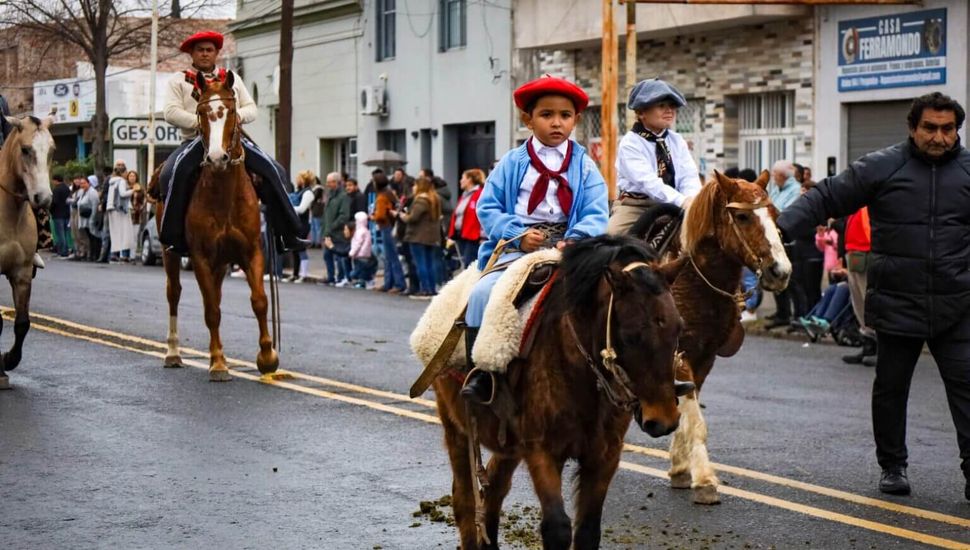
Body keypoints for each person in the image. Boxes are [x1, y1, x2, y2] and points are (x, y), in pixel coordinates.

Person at [778, 92, 970, 501]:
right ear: (912, 128)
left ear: (957, 130)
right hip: (898, 301)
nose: (939, 137)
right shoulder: (883, 166)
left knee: (966, 389)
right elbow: (825, 196)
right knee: (890, 388)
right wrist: (778, 232)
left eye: (947, 129)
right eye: (930, 128)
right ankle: (892, 466)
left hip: (957, 303)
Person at [461, 75, 609, 404]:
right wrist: (517, 235)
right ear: (528, 119)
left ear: (576, 120)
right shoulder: (513, 162)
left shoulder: (584, 165)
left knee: (616, 292)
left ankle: (613, 366)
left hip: (569, 247)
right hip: (520, 246)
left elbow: (597, 210)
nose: (556, 122)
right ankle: (483, 372)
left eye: (565, 115)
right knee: (484, 291)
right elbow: (487, 206)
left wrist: (577, 238)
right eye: (546, 114)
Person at [158, 30, 307, 256]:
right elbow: (170, 112)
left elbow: (251, 107)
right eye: (200, 50)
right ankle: (174, 237)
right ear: (192, 53)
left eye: (209, 50)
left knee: (275, 170)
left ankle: (287, 234)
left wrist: (237, 116)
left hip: (230, 140)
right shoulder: (179, 80)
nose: (205, 54)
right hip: (195, 140)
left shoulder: (231, 78)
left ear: (217, 52)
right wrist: (202, 123)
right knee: (170, 174)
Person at [608, 78, 701, 235]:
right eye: (661, 105)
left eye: (672, 106)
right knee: (610, 237)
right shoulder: (630, 143)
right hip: (637, 206)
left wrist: (692, 200)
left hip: (677, 203)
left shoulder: (676, 140)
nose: (669, 110)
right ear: (641, 112)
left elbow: (688, 176)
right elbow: (648, 183)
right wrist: (681, 200)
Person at [764, 160, 802, 330]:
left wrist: (772, 211)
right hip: (775, 239)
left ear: (782, 176)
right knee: (775, 276)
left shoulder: (795, 190)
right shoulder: (776, 189)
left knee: (792, 281)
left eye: (774, 174)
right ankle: (782, 313)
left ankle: (799, 316)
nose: (772, 177)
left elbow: (784, 211)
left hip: (790, 240)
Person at [393, 177, 443, 299]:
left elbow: (413, 218)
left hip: (418, 236)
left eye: (415, 185)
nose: (413, 187)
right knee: (430, 263)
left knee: (421, 263)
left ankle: (425, 289)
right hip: (431, 237)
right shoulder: (435, 199)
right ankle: (431, 288)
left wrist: (402, 215)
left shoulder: (421, 200)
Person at [372, 179, 406, 293]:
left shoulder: (381, 197)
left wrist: (373, 217)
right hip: (391, 225)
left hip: (385, 226)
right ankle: (389, 282)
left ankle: (398, 283)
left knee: (391, 256)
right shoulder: (390, 194)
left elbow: (380, 215)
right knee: (390, 255)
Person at [448, 168, 485, 269]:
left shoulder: (480, 194)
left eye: (462, 178)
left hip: (474, 237)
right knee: (466, 264)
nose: (460, 181)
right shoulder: (465, 195)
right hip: (463, 235)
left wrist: (483, 235)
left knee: (470, 265)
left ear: (470, 180)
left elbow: (483, 215)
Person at [322, 171, 351, 285]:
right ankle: (331, 277)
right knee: (327, 255)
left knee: (339, 256)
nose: (327, 184)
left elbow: (344, 215)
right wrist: (325, 229)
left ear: (336, 182)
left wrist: (332, 227)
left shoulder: (343, 196)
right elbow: (326, 214)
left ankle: (341, 277)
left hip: (338, 232)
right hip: (328, 231)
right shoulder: (330, 195)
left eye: (329, 182)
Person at [105, 160, 135, 263]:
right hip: (120, 208)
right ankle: (122, 255)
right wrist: (133, 190)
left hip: (111, 208)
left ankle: (113, 254)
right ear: (122, 173)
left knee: (115, 232)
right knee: (124, 232)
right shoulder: (121, 181)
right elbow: (122, 194)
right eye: (126, 173)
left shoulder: (112, 181)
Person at [288, 171, 315, 282]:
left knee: (301, 249)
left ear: (304, 180)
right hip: (296, 223)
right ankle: (295, 274)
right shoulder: (299, 191)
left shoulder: (308, 193)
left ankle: (303, 274)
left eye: (299, 178)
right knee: (295, 249)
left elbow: (302, 208)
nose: (297, 180)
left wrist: (288, 208)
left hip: (303, 224)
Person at [347, 214, 376, 289]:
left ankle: (360, 281)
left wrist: (352, 252)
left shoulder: (359, 232)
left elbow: (357, 244)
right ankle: (366, 280)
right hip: (366, 254)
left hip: (359, 254)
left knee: (358, 270)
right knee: (363, 270)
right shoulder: (366, 231)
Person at [50, 174, 72, 258]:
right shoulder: (67, 188)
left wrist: (51, 210)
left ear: (55, 180)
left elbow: (54, 202)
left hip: (58, 214)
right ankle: (66, 249)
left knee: (60, 233)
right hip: (66, 213)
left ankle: (62, 251)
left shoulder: (56, 190)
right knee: (66, 233)